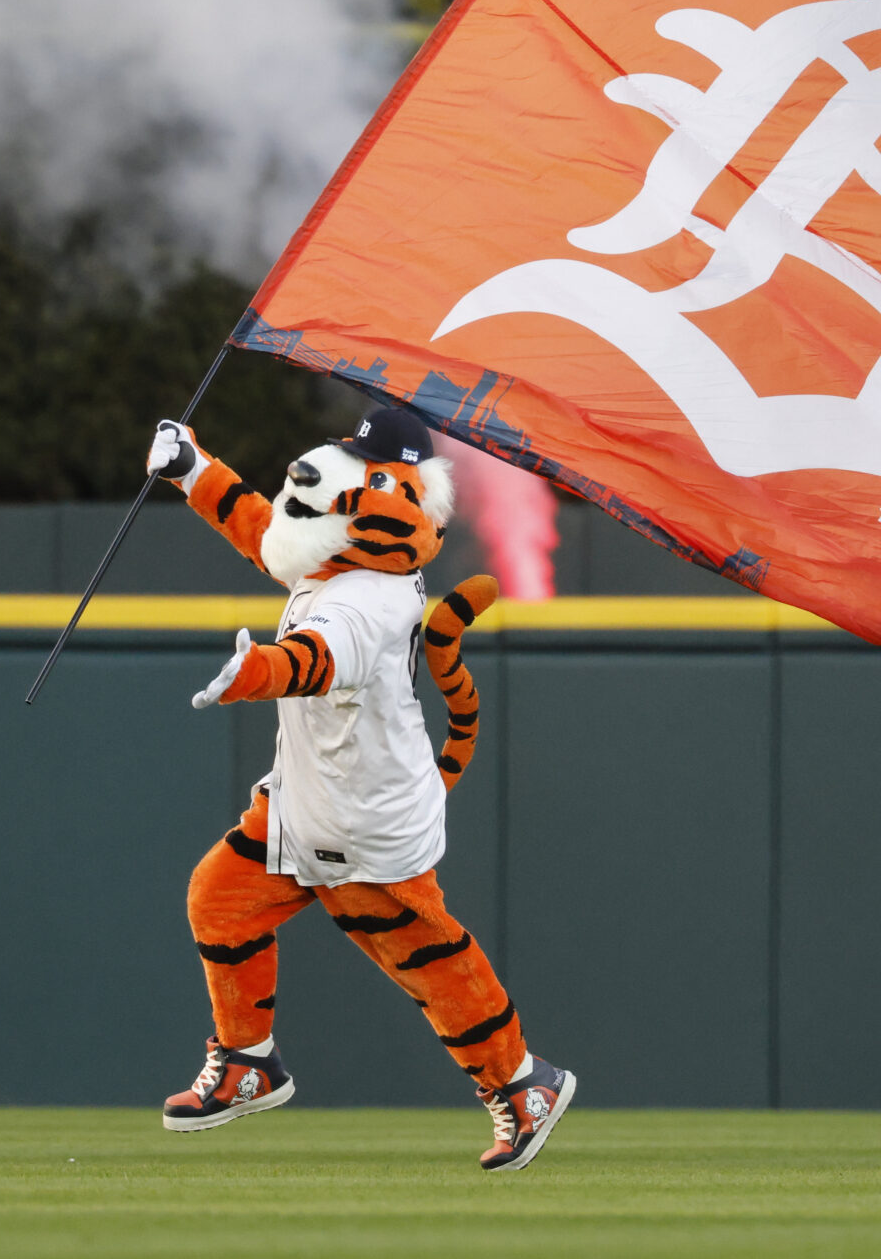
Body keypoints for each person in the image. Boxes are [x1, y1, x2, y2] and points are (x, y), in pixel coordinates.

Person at [142, 404, 574, 1172]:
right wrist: (192, 469)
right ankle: (248, 1061)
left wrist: (256, 673)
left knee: (429, 960)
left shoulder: (370, 594)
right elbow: (266, 533)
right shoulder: (342, 559)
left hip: (365, 819)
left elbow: (317, 659)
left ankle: (520, 1081)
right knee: (220, 896)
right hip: (308, 795)